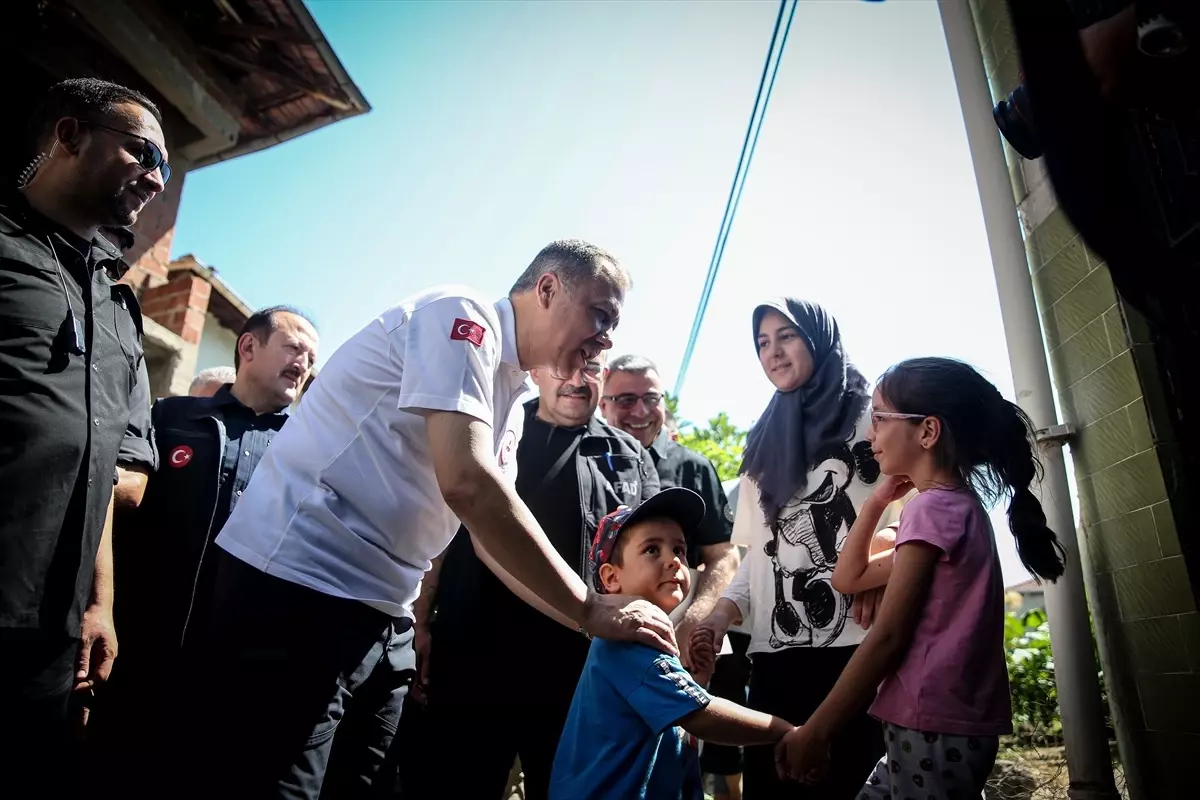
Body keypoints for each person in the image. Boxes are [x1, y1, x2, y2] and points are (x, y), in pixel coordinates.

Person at [183, 240, 679, 799]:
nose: (607, 338)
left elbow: (489, 540)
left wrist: (590, 617)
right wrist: (590, 608)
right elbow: (468, 483)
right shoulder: (460, 315)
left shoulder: (509, 398)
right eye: (601, 314)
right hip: (298, 591)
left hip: (381, 612)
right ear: (547, 289)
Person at [776, 358, 1067, 798]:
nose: (869, 434)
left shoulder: (932, 510)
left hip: (934, 719)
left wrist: (816, 731)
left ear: (928, 432)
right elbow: (847, 578)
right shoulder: (953, 508)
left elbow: (888, 636)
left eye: (878, 418)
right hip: (938, 720)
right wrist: (877, 502)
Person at [0, 77, 165, 792]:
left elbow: (116, 471)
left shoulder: (119, 306)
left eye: (165, 165)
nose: (157, 178)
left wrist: (100, 603)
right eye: (141, 153)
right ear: (69, 135)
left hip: (53, 640)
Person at [407, 354, 660, 799]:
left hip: (579, 674)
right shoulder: (492, 434)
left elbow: (649, 559)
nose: (578, 380)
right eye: (565, 365)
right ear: (536, 372)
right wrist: (421, 622)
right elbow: (442, 531)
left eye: (592, 368)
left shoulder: (629, 455)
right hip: (474, 661)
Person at [94, 307, 317, 791]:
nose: (305, 361)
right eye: (295, 346)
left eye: (312, 357)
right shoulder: (170, 417)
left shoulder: (311, 450)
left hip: (240, 683)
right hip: (140, 657)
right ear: (249, 347)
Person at [690, 298, 894, 799]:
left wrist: (886, 563)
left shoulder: (874, 422)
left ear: (819, 339)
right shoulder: (763, 441)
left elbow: (921, 511)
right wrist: (719, 617)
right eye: (762, 343)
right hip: (778, 660)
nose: (773, 352)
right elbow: (759, 556)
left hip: (861, 649)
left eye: (788, 336)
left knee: (855, 781)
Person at [549, 488, 794, 800]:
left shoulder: (648, 639)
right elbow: (701, 718)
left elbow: (672, 726)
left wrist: (697, 682)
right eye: (652, 550)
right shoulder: (628, 644)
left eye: (679, 550)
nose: (674, 561)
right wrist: (786, 731)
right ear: (611, 577)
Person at [599, 354, 738, 667]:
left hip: (683, 651)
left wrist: (695, 619)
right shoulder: (585, 462)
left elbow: (725, 554)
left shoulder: (693, 467)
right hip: (602, 647)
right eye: (625, 399)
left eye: (651, 398)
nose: (640, 411)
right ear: (603, 404)